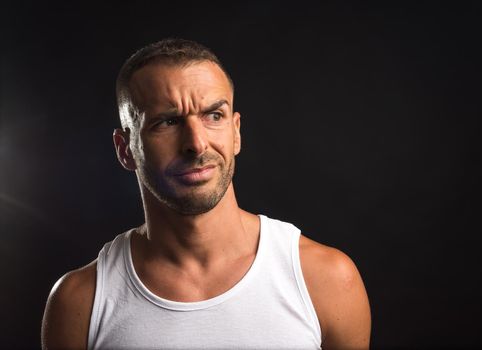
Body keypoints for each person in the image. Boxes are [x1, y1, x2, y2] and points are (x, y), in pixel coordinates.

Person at [41, 38, 371, 349]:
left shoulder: (326, 280)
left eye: (214, 116)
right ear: (125, 148)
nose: (197, 144)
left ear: (236, 132)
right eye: (167, 122)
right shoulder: (80, 302)